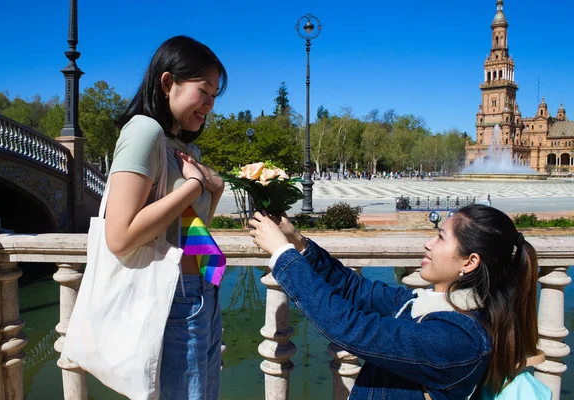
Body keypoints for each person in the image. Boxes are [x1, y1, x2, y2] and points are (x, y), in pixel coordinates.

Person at [248, 204, 540, 399]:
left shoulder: (458, 336)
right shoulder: (432, 305)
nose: (429, 243)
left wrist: (282, 255)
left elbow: (350, 328)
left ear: (469, 262)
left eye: (440, 238)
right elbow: (355, 289)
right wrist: (298, 243)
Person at [106, 36, 227, 399]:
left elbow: (187, 229)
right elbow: (120, 236)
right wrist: (191, 188)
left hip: (204, 289)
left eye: (214, 96)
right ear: (167, 82)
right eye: (204, 91)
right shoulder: (145, 131)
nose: (209, 105)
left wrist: (213, 191)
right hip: (172, 296)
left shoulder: (186, 148)